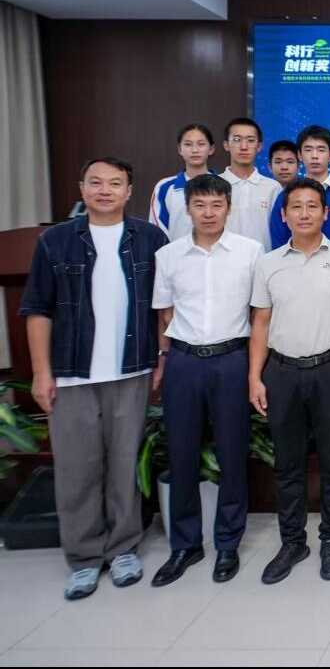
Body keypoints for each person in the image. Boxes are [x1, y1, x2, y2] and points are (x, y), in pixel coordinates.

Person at [20, 157, 168, 601]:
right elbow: (37, 309)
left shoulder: (149, 239)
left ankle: (123, 549)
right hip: (72, 373)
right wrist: (41, 372)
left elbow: (163, 305)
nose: (105, 190)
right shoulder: (55, 241)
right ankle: (84, 557)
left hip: (132, 369)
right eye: (96, 183)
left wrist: (162, 357)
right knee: (77, 468)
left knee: (124, 465)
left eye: (115, 183)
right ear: (82, 188)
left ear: (129, 191)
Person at [150, 174, 264, 587]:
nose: (209, 213)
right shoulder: (169, 255)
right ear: (188, 209)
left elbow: (259, 314)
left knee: (232, 452)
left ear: (228, 208)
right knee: (181, 453)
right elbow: (164, 314)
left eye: (217, 205)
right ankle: (185, 545)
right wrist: (164, 361)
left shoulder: (250, 252)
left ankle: (228, 543)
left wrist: (253, 370)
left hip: (231, 359)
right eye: (200, 205)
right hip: (183, 361)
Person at [249, 178, 330, 584]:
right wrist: (255, 377)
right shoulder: (268, 263)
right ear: (283, 215)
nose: (305, 213)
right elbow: (260, 323)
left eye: (313, 206)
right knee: (288, 462)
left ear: (326, 212)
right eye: (296, 206)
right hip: (281, 372)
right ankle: (292, 541)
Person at [268, 126, 330, 249]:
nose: (314, 156)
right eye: (308, 150)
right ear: (299, 155)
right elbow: (278, 242)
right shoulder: (286, 195)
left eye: (321, 150)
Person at [220, 117, 280, 250]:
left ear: (259, 146)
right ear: (226, 145)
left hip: (263, 260)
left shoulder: (273, 188)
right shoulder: (214, 186)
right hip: (223, 260)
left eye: (250, 140)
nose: (244, 147)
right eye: (237, 140)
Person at [150, 123, 216, 241]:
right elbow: (157, 231)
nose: (195, 150)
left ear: (211, 149)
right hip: (175, 252)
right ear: (180, 149)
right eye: (188, 144)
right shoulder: (165, 187)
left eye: (201, 144)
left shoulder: (225, 186)